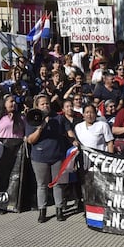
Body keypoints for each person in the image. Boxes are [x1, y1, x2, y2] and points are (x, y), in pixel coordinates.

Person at [25, 95, 76, 223]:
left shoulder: (59, 117)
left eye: (47, 103)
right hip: (39, 157)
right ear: (37, 106)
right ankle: (42, 211)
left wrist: (74, 141)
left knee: (57, 184)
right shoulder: (32, 118)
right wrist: (40, 127)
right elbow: (30, 140)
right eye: (42, 104)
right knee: (42, 185)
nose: (45, 106)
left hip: (57, 156)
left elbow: (69, 132)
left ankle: (59, 210)